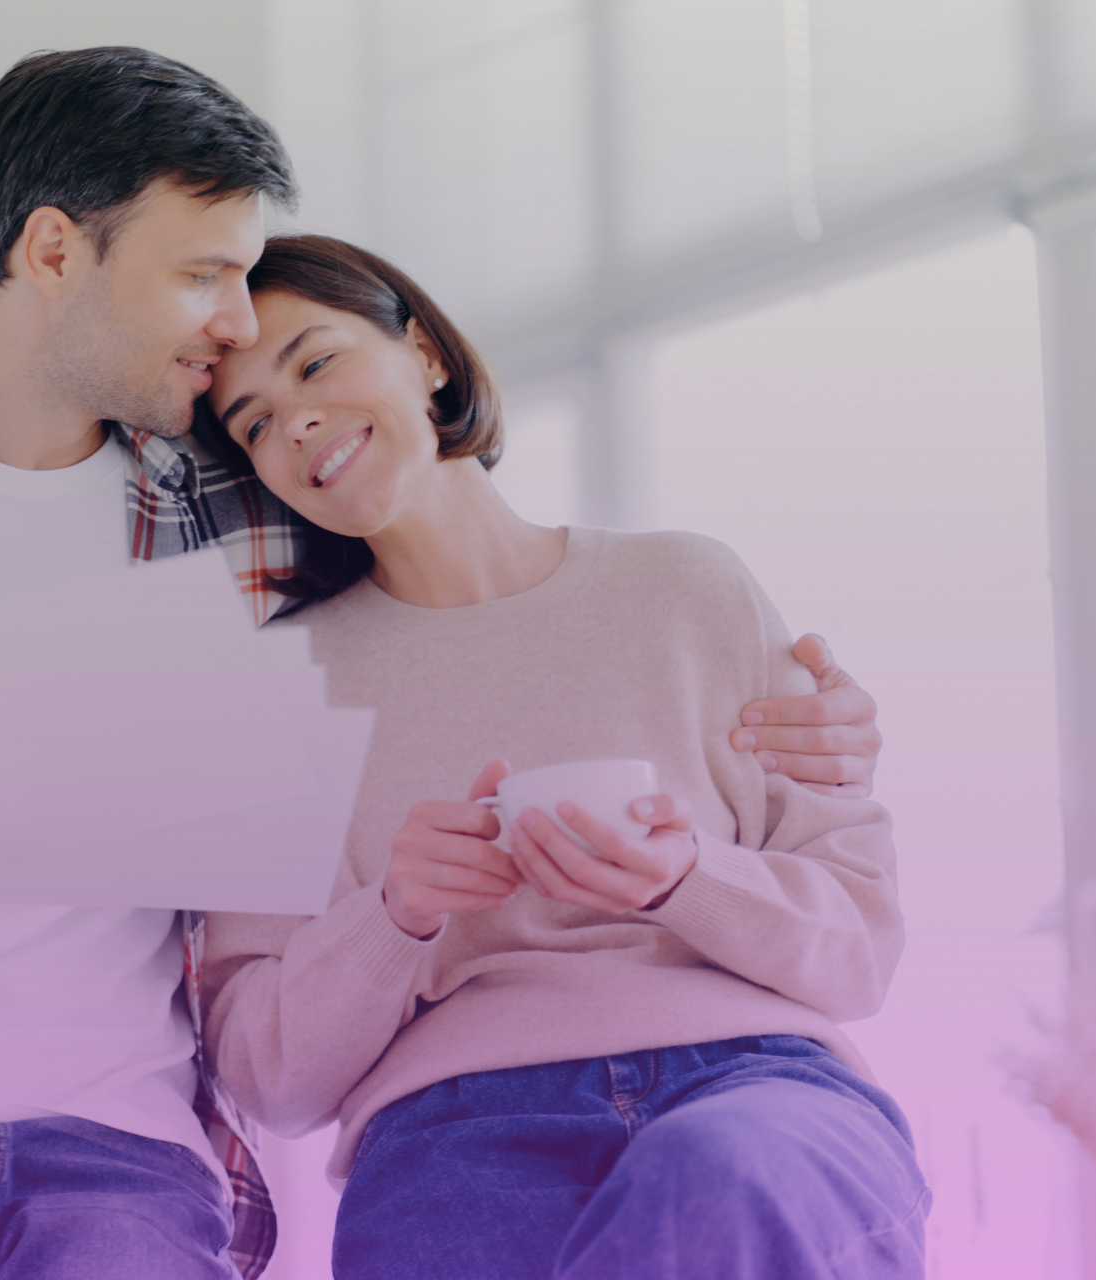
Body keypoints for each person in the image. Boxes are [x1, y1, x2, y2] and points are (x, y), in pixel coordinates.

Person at [0, 46, 884, 1280]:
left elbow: (479, 565)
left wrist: (815, 723)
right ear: (51, 251)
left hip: (114, 1157)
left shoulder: (242, 517)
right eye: (204, 275)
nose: (234, 325)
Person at [197, 236, 926, 1280]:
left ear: (426, 353)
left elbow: (858, 946)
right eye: (255, 422)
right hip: (457, 1129)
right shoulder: (275, 694)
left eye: (315, 363)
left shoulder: (690, 589)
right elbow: (266, 1071)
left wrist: (687, 878)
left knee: (720, 1176)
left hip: (755, 1087)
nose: (295, 421)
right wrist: (396, 913)